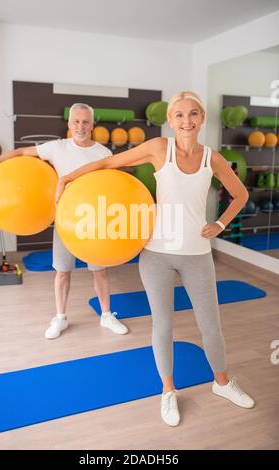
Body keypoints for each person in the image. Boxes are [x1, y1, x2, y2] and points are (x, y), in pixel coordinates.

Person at [55, 91, 255, 426]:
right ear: (171, 119)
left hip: (197, 254)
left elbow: (241, 193)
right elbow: (108, 163)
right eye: (179, 115)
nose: (186, 121)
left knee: (211, 326)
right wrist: (67, 177)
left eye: (193, 114)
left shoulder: (212, 158)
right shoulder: (159, 148)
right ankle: (168, 392)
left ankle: (222, 383)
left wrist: (219, 224)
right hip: (157, 254)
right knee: (162, 325)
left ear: (202, 118)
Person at [0, 103, 129, 339]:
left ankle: (106, 314)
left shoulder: (103, 153)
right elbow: (20, 153)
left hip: (94, 222)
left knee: (99, 272)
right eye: (76, 121)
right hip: (65, 221)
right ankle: (60, 317)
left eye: (85, 122)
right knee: (62, 271)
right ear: (69, 124)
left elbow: (112, 186)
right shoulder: (57, 148)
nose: (81, 126)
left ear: (92, 124)